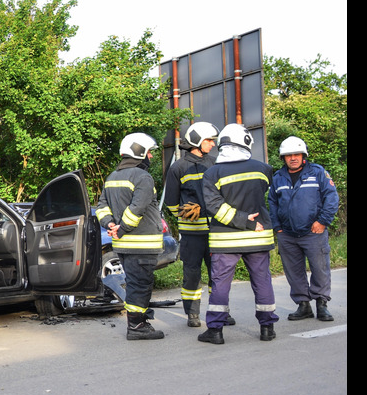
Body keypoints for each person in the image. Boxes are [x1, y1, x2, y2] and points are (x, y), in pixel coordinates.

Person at [199, 124, 279, 344]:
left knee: (220, 284)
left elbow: (214, 206)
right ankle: (267, 328)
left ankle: (215, 331)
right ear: (245, 142)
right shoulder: (263, 168)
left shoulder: (211, 173)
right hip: (258, 237)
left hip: (225, 240)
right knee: (262, 281)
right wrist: (251, 223)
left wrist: (242, 221)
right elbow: (272, 198)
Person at [163, 121, 235, 328]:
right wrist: (186, 215)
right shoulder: (178, 168)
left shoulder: (216, 164)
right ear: (197, 141)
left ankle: (221, 312)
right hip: (192, 235)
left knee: (219, 274)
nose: (213, 144)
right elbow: (171, 202)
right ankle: (192, 314)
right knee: (192, 274)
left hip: (216, 232)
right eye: (209, 141)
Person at [96, 133, 166, 340]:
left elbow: (101, 207)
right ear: (140, 152)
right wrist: (122, 227)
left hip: (122, 244)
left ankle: (139, 321)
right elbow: (138, 208)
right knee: (140, 284)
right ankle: (137, 327)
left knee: (134, 282)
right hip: (141, 243)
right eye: (149, 152)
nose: (151, 157)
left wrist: (110, 224)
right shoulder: (142, 177)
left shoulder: (111, 177)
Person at [269, 136, 340, 322]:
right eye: (288, 155)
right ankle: (303, 305)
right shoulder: (278, 177)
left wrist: (323, 221)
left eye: (296, 154)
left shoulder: (318, 173)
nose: (292, 158)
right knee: (293, 271)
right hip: (287, 234)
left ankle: (321, 304)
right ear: (283, 158)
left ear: (303, 155)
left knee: (320, 269)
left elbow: (331, 198)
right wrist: (277, 227)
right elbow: (272, 203)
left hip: (313, 232)